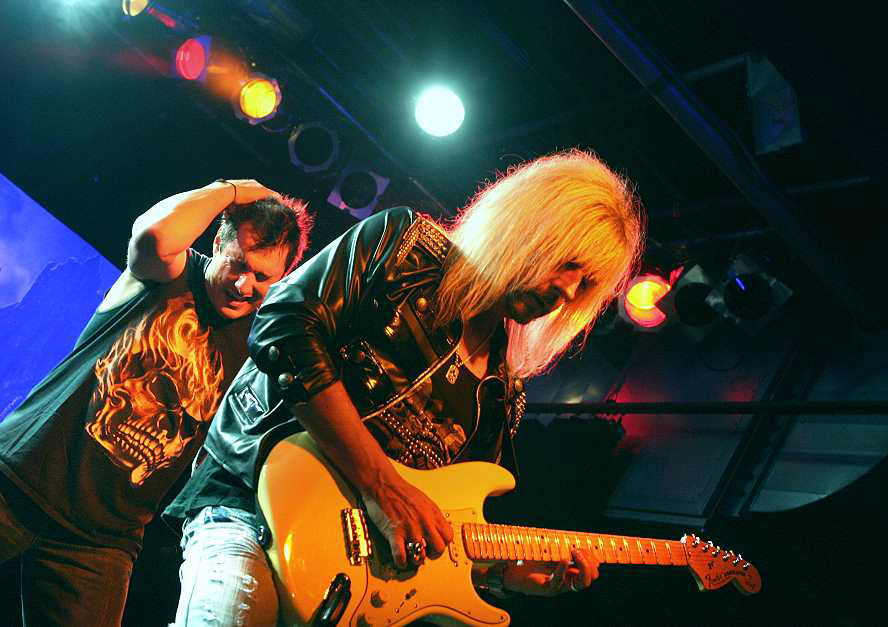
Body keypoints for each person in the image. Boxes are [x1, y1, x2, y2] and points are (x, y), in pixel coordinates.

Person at [165, 149, 646, 625]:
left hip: (355, 587)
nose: (567, 291)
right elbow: (284, 327)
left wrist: (506, 573)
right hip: (251, 507)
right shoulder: (404, 247)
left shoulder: (500, 396)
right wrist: (381, 485)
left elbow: (443, 528)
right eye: (568, 263)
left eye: (585, 284)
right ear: (529, 228)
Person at [0, 179, 312, 626]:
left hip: (99, 543)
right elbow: (153, 234)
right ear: (217, 243)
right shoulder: (167, 272)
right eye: (237, 264)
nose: (244, 284)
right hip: (18, 480)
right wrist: (231, 190)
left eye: (263, 277)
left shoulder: (256, 346)